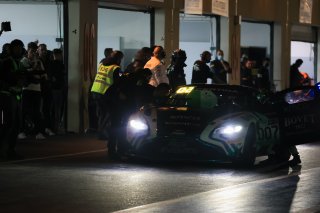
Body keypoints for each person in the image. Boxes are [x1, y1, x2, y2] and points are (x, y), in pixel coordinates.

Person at [105, 68, 154, 159]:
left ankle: (116, 150)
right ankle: (119, 150)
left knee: (117, 127)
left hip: (114, 104)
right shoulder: (135, 81)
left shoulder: (129, 78)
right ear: (146, 76)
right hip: (118, 106)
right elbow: (133, 95)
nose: (149, 79)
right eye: (149, 77)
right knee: (120, 128)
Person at [0, 39, 26, 160]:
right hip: (7, 96)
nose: (18, 50)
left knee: (16, 125)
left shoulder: (19, 62)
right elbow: (5, 77)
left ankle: (10, 150)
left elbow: (23, 77)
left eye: (20, 48)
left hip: (17, 96)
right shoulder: (6, 62)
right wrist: (17, 79)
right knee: (8, 124)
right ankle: (3, 151)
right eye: (16, 48)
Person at [90, 50, 124, 141]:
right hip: (105, 92)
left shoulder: (102, 64)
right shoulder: (115, 67)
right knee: (108, 113)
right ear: (119, 58)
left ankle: (101, 133)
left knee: (102, 113)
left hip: (95, 90)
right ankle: (101, 133)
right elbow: (117, 82)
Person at [18, 41, 47, 140]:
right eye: (31, 51)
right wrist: (34, 71)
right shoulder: (24, 61)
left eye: (35, 51)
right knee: (24, 111)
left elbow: (44, 76)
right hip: (26, 89)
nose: (33, 53)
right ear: (27, 51)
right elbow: (26, 74)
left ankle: (38, 132)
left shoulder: (39, 62)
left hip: (37, 90)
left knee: (37, 112)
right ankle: (21, 131)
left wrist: (35, 73)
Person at [48, 48, 66, 133]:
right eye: (61, 55)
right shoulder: (55, 65)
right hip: (56, 89)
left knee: (57, 109)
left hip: (57, 89)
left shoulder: (53, 64)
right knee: (56, 109)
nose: (62, 56)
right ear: (57, 55)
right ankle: (55, 127)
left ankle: (56, 127)